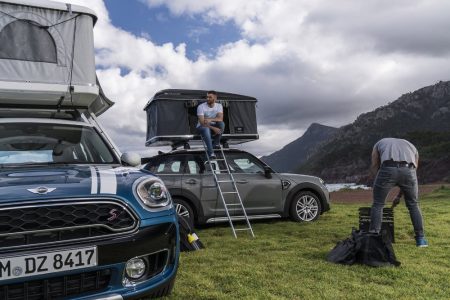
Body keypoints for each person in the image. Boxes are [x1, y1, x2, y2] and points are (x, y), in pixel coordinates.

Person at [369, 137, 427, 247]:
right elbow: (413, 170)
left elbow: (375, 164)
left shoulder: (379, 143)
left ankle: (374, 238)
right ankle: (421, 240)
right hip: (409, 170)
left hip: (387, 168)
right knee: (413, 204)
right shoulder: (411, 145)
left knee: (378, 204)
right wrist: (399, 196)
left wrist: (378, 181)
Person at [197, 90, 225, 159]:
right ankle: (211, 153)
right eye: (207, 97)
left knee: (222, 124)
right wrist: (213, 128)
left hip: (212, 124)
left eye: (210, 97)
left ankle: (214, 144)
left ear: (215, 98)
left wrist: (210, 119)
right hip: (201, 127)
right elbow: (202, 122)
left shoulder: (219, 106)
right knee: (206, 129)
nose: (207, 99)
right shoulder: (201, 107)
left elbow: (220, 119)